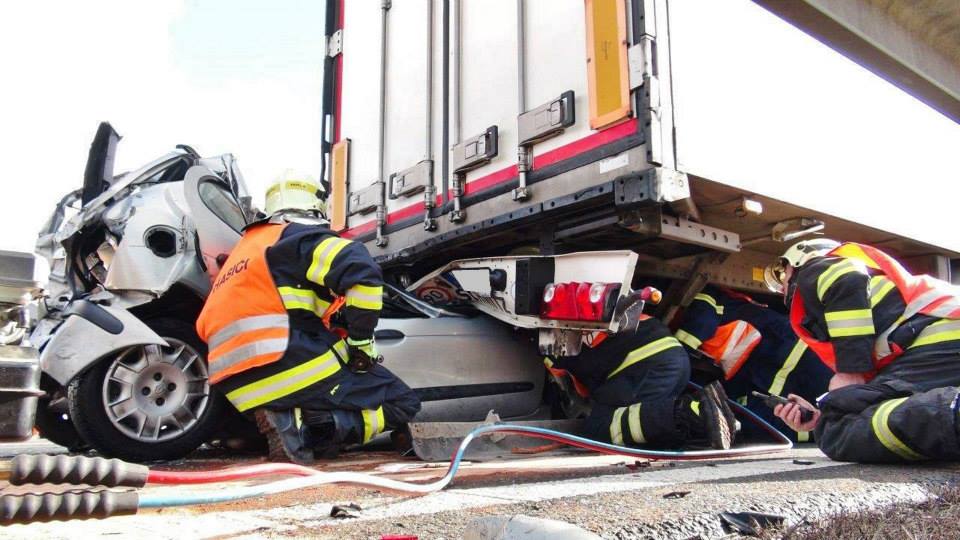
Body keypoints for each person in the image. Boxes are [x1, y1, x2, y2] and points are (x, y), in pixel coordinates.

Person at [196, 171, 421, 464]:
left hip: (232, 384)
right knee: (402, 402)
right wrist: (361, 343)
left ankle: (271, 429)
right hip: (283, 361)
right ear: (317, 205)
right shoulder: (298, 236)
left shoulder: (246, 249)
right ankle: (307, 430)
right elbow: (361, 272)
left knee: (321, 388)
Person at [764, 239, 960, 462]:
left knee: (836, 433)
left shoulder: (817, 269)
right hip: (941, 345)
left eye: (782, 274)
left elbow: (846, 277)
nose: (782, 289)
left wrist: (849, 372)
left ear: (799, 261)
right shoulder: (881, 294)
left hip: (939, 340)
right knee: (839, 422)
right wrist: (820, 417)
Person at [544, 316, 738, 450]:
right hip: (670, 357)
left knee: (597, 429)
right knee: (644, 425)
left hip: (647, 364)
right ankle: (702, 421)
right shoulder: (593, 308)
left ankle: (694, 412)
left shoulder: (554, 350)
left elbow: (581, 390)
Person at [674, 286, 831, 442]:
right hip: (763, 374)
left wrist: (679, 353)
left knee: (767, 421)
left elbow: (703, 315)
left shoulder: (707, 305)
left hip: (786, 354)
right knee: (763, 420)